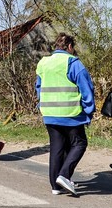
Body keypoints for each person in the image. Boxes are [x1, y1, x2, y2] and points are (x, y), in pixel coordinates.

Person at [35, 33, 95, 196]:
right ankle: (64, 175)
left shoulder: (43, 63)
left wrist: (42, 104)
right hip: (71, 113)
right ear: (69, 46)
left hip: (49, 112)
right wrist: (89, 111)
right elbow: (86, 89)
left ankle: (55, 186)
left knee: (57, 148)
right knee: (79, 143)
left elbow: (38, 87)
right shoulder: (73, 62)